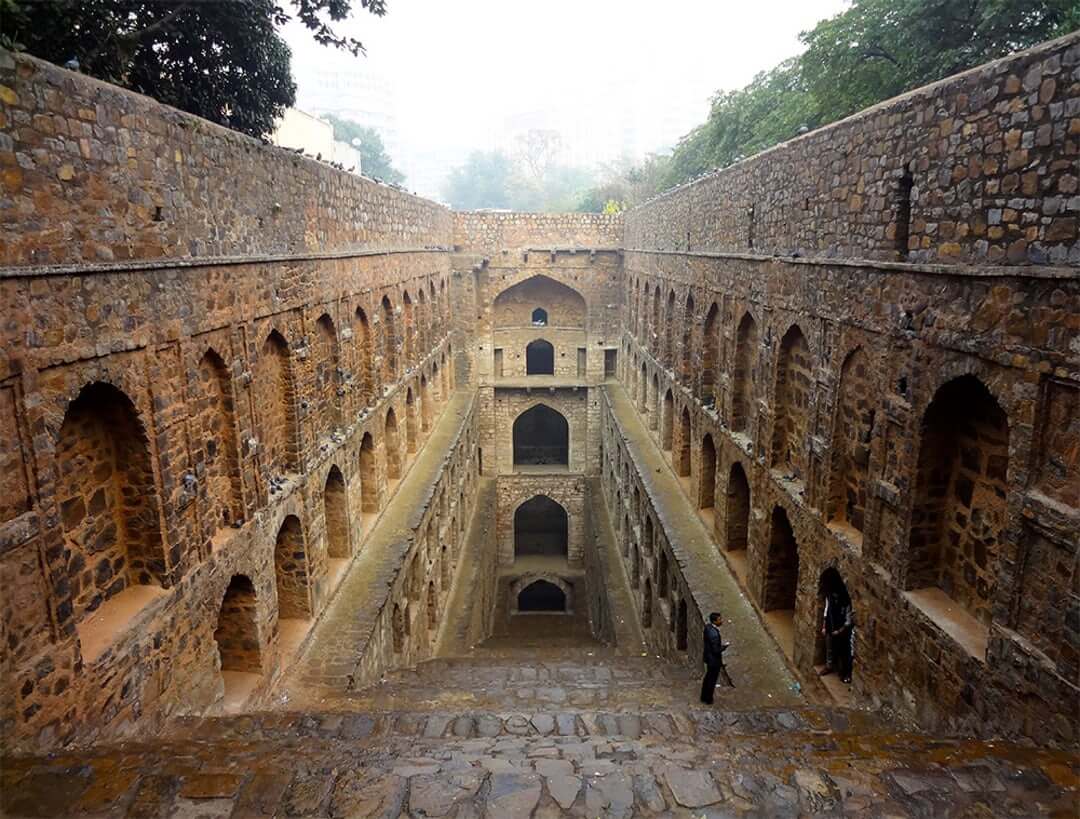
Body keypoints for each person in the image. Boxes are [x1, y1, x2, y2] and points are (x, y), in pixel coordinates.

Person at [819, 588, 854, 684]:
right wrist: (824, 626)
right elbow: (826, 611)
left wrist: (839, 631)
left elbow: (848, 621)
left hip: (840, 628)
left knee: (843, 651)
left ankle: (843, 671)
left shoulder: (845, 603)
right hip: (831, 625)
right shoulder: (829, 597)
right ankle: (829, 665)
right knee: (829, 646)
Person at [700, 611, 733, 704]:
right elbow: (716, 650)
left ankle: (704, 696)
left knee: (707, 678)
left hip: (708, 657)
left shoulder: (708, 628)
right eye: (719, 620)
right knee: (711, 680)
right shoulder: (714, 634)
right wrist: (724, 646)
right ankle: (708, 699)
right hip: (713, 661)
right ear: (715, 621)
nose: (721, 621)